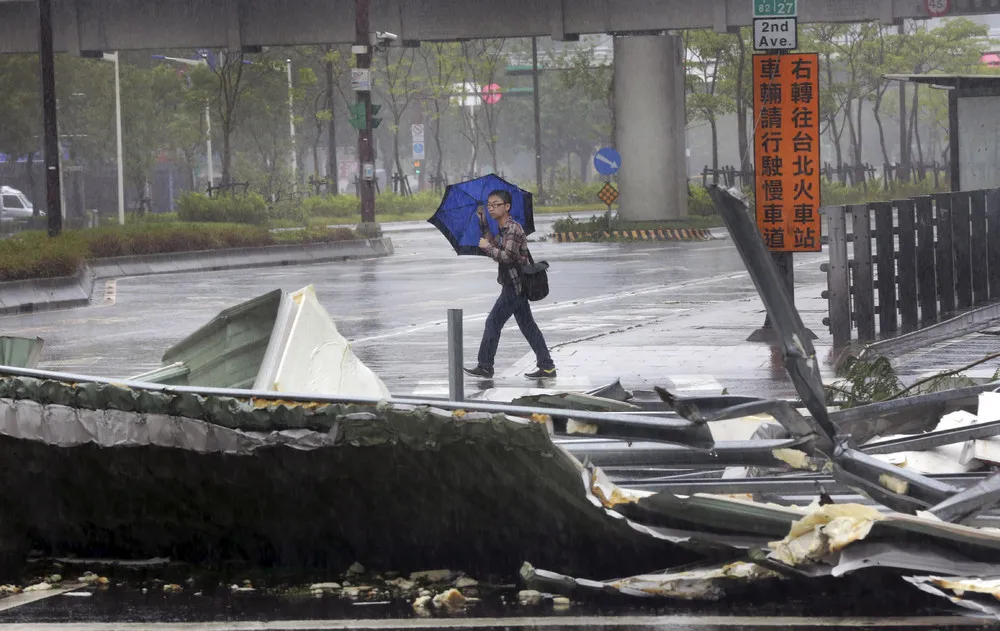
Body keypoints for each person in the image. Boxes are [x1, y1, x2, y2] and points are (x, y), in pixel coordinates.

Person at [464, 189, 557, 380]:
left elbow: (508, 256)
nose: (491, 208)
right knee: (528, 326)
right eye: (489, 205)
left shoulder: (513, 229)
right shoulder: (503, 229)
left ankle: (485, 365)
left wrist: (487, 247)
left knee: (492, 322)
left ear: (507, 207)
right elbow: (495, 244)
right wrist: (482, 220)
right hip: (514, 285)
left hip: (514, 287)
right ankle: (547, 366)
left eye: (495, 204)